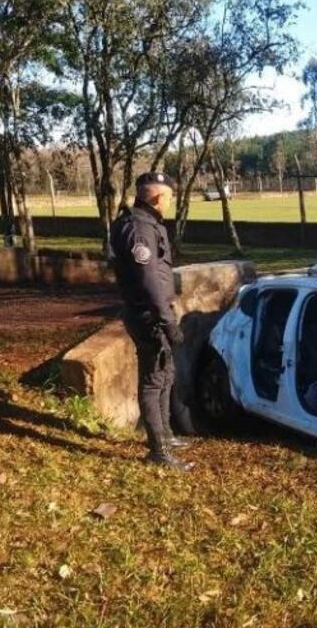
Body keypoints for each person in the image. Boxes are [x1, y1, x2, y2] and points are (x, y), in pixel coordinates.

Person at [110, 172, 194, 471]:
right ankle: (157, 450)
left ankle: (166, 435)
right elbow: (148, 282)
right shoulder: (138, 229)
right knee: (153, 379)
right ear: (158, 198)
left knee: (165, 373)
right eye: (169, 198)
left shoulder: (147, 224)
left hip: (156, 312)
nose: (170, 204)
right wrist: (167, 322)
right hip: (149, 315)